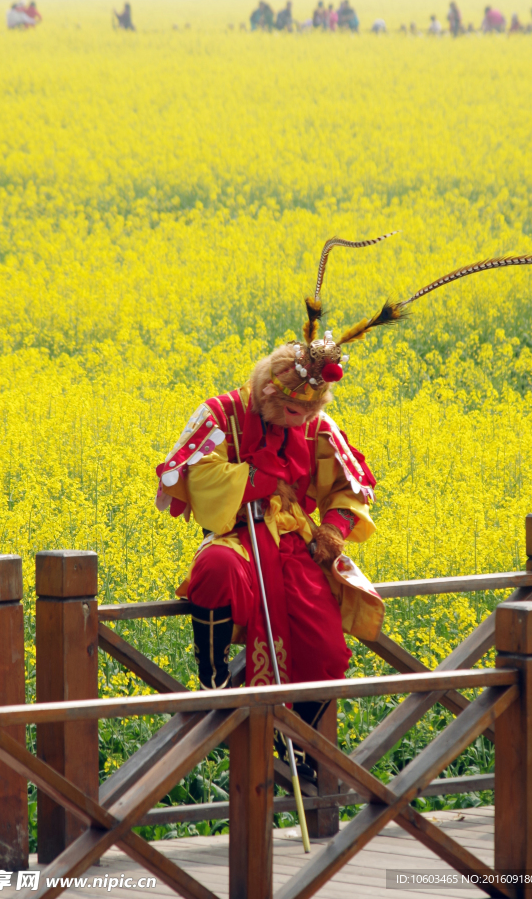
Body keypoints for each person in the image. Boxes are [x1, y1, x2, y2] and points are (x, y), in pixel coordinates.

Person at [155, 237, 389, 740]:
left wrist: (331, 529)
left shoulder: (316, 425)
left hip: (295, 546)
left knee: (325, 649)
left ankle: (299, 747)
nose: (301, 420)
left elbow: (352, 485)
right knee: (214, 569)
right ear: (267, 392)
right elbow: (192, 474)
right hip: (240, 539)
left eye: (310, 411)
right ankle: (216, 683)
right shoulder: (220, 414)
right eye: (292, 411)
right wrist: (259, 480)